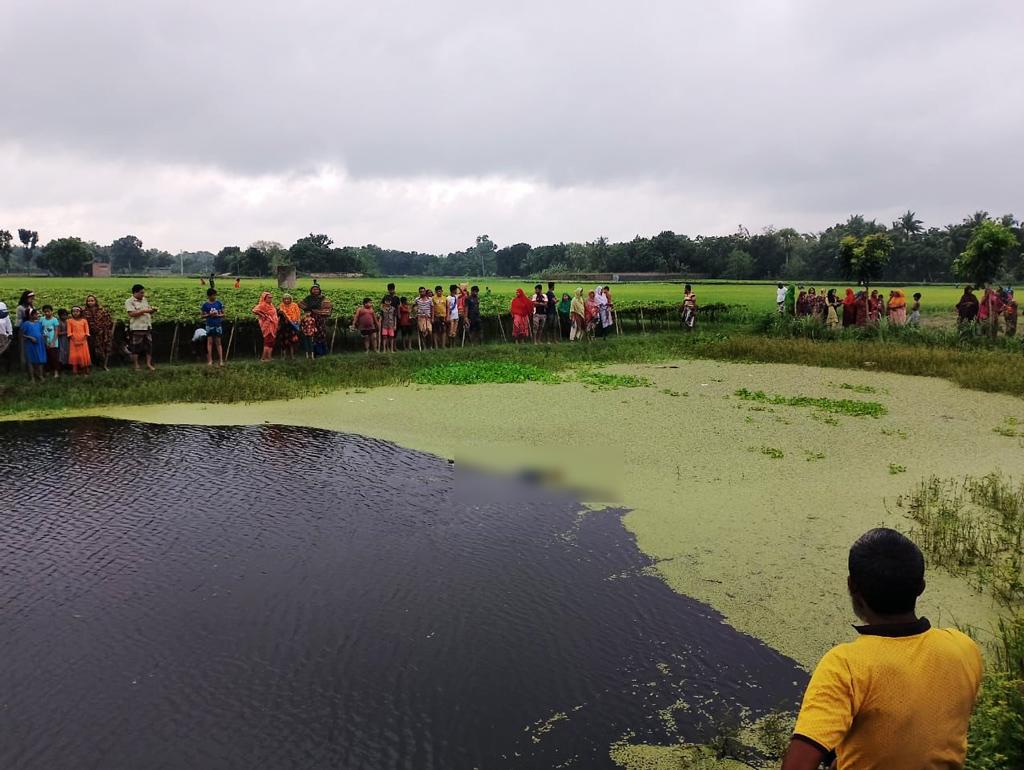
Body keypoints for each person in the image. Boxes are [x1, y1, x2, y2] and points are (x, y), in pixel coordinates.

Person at [782, 528, 981, 770]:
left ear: (852, 586)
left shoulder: (846, 665)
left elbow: (798, 766)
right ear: (921, 587)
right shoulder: (963, 647)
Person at [125, 284, 157, 371]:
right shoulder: (129, 301)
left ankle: (148, 364)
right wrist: (144, 311)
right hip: (137, 327)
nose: (143, 294)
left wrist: (152, 310)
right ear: (135, 292)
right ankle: (136, 365)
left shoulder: (144, 300)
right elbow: (131, 314)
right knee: (136, 347)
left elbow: (148, 311)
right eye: (141, 293)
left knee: (149, 346)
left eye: (143, 293)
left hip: (147, 327)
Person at [81, 294, 114, 371]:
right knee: (91, 349)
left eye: (92, 300)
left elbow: (108, 321)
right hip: (90, 334)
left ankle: (104, 365)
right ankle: (91, 364)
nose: (90, 302)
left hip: (102, 333)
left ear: (95, 301)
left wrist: (106, 331)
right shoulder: (84, 312)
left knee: (104, 349)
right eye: (88, 301)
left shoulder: (102, 310)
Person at [299, 283, 331, 357]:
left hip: (320, 319)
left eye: (317, 289)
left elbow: (328, 307)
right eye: (314, 289)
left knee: (321, 334)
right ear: (311, 290)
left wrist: (319, 312)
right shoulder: (308, 298)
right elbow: (300, 304)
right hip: (311, 319)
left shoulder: (323, 298)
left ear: (319, 290)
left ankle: (322, 352)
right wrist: (309, 310)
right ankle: (314, 352)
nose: (316, 290)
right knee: (313, 334)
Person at [20, 308, 46, 382]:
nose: (37, 315)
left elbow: (41, 332)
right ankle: (32, 378)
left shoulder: (38, 323)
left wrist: (43, 336)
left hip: (39, 343)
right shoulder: (26, 324)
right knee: (31, 360)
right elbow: (21, 335)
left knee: (40, 360)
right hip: (30, 344)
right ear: (30, 315)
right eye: (36, 314)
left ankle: (40, 375)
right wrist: (30, 337)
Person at [252, 291, 279, 361]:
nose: (270, 299)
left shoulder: (271, 305)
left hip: (273, 325)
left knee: (271, 341)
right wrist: (262, 315)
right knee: (267, 340)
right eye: (269, 297)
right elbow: (254, 310)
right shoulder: (263, 304)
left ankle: (269, 357)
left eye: (271, 297)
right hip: (267, 325)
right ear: (265, 298)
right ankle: (263, 358)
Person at [201, 288, 225, 366]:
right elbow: (202, 316)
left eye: (215, 295)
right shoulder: (205, 305)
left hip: (217, 325)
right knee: (210, 343)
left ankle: (221, 360)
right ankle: (210, 360)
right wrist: (209, 315)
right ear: (209, 296)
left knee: (218, 343)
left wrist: (217, 315)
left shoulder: (219, 303)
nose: (214, 296)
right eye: (213, 295)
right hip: (209, 325)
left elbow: (223, 314)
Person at [67, 306, 92, 376]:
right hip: (73, 341)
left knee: (83, 355)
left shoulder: (84, 320)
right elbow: (69, 332)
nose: (75, 313)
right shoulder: (69, 321)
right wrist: (74, 339)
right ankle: (75, 371)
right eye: (73, 311)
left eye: (77, 311)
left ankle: (85, 371)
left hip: (83, 341)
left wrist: (84, 339)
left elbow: (87, 331)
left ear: (80, 312)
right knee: (75, 356)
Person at [278, 293, 301, 359]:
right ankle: (284, 356)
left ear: (291, 299)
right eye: (285, 299)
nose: (286, 300)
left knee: (292, 340)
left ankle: (292, 356)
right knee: (283, 341)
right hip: (284, 325)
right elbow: (281, 314)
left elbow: (298, 313)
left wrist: (298, 320)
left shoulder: (294, 305)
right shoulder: (282, 305)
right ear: (283, 300)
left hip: (293, 325)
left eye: (288, 299)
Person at [40, 305, 61, 378]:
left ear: (52, 311)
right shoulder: (42, 319)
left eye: (48, 311)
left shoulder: (54, 320)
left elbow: (56, 331)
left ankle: (56, 371)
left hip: (53, 341)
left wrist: (53, 341)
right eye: (45, 311)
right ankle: (47, 370)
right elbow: (41, 329)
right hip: (45, 341)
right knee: (46, 357)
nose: (46, 313)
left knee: (54, 357)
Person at [0, 301, 12, 374]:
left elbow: (8, 322)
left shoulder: (3, 305)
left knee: (6, 354)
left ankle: (7, 371)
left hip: (4, 336)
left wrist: (10, 333)